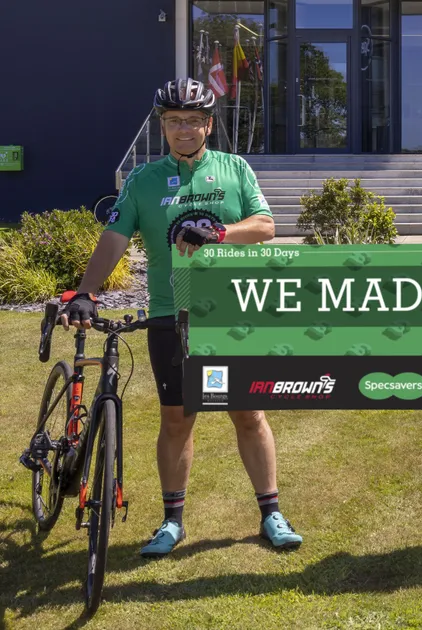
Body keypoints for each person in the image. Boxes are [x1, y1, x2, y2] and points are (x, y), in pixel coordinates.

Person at [60, 78, 303, 557]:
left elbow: (266, 226)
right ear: (163, 127)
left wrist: (218, 232)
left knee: (248, 413)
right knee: (177, 419)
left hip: (232, 311)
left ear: (208, 125)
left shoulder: (234, 169)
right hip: (172, 315)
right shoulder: (142, 181)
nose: (184, 129)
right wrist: (86, 291)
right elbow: (115, 238)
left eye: (193, 120)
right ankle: (172, 520)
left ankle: (271, 513)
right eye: (174, 121)